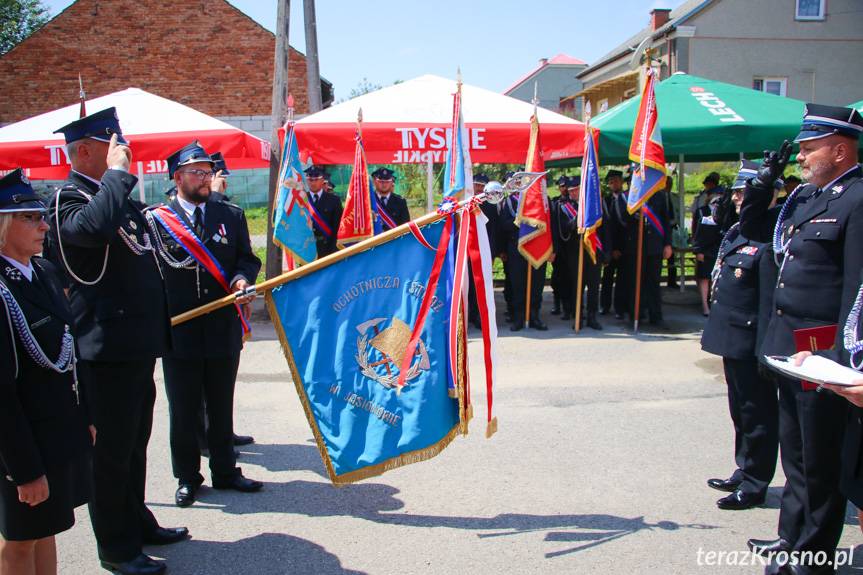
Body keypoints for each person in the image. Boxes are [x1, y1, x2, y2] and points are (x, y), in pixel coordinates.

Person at [46, 108, 186, 575]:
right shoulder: (69, 198)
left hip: (135, 343)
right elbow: (91, 230)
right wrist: (117, 175)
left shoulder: (113, 196)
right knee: (109, 453)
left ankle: (136, 520)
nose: (123, 152)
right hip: (104, 348)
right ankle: (116, 547)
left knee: (134, 443)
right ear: (86, 150)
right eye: (114, 145)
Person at [740, 104, 863, 574]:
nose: (801, 157)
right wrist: (762, 183)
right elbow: (755, 230)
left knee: (820, 456)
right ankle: (791, 537)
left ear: (840, 150)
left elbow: (857, 286)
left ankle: (813, 556)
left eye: (810, 148)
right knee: (795, 451)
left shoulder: (856, 199)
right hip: (791, 344)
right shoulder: (808, 197)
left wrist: (845, 357)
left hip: (824, 348)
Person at [147, 141, 263, 509]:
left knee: (220, 403)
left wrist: (241, 280)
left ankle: (225, 470)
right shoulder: (156, 221)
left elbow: (247, 259)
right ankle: (187, 477)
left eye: (208, 172)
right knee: (183, 410)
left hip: (221, 326)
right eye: (196, 172)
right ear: (176, 177)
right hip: (178, 329)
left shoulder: (230, 214)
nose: (204, 178)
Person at [0, 170, 94, 575]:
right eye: (30, 218)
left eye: (41, 216)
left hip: (56, 430)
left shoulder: (44, 272)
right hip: (21, 441)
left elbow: (71, 351)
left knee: (47, 528)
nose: (43, 226)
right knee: (21, 540)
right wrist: (24, 469)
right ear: (3, 226)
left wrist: (85, 415)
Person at [701, 161, 779, 511]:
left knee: (757, 411)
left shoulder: (769, 234)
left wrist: (766, 348)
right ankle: (744, 467)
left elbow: (768, 299)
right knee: (740, 409)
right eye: (734, 191)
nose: (736, 197)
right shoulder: (738, 230)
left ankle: (756, 481)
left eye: (743, 192)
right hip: (732, 335)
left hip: (751, 338)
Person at [620, 186, 673, 328]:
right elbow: (623, 219)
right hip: (635, 246)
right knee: (635, 282)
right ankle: (635, 315)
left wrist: (667, 244)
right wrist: (636, 210)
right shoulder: (630, 195)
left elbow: (665, 221)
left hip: (654, 246)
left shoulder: (659, 195)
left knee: (654, 282)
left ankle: (656, 316)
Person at [498, 189, 547, 331]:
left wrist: (553, 249)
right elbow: (503, 225)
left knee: (536, 285)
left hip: (537, 247)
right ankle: (518, 317)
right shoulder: (509, 202)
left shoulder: (540, 199)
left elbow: (550, 224)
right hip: (516, 249)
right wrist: (519, 221)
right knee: (518, 285)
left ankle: (534, 316)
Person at [692, 185, 726, 316]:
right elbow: (695, 231)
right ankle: (705, 306)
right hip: (704, 249)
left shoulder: (725, 211)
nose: (718, 198)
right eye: (716, 195)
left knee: (717, 277)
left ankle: (714, 304)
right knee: (704, 278)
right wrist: (698, 250)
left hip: (719, 248)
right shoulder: (701, 211)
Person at [600, 170, 628, 319]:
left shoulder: (628, 198)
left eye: (616, 181)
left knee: (623, 280)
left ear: (621, 182)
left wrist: (619, 248)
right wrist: (611, 249)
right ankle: (604, 306)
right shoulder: (606, 200)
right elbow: (606, 227)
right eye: (611, 182)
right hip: (609, 246)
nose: (614, 184)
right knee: (607, 278)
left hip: (624, 246)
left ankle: (620, 308)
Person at [305, 166, 343, 258]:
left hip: (327, 249)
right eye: (310, 180)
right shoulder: (301, 199)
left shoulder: (334, 200)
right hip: (306, 248)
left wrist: (334, 251)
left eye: (316, 180)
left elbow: (338, 227)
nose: (313, 183)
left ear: (322, 180)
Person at [550, 176, 574, 320]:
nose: (564, 189)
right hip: (560, 248)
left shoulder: (576, 203)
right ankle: (560, 306)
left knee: (572, 279)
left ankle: (573, 308)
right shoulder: (556, 203)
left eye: (567, 186)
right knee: (559, 279)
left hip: (573, 247)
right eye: (562, 186)